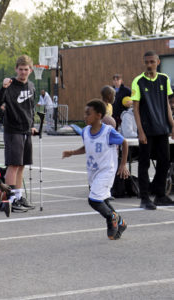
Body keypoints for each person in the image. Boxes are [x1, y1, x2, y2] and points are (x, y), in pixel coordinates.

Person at [62, 99, 129, 240]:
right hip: (93, 171)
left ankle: (112, 219)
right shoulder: (85, 131)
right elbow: (88, 147)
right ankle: (121, 223)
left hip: (107, 170)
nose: (85, 116)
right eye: (85, 113)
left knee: (94, 200)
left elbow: (124, 142)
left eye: (88, 114)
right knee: (103, 199)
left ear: (99, 115)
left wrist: (123, 164)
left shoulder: (108, 132)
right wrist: (72, 152)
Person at [0, 54, 37, 212]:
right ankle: (10, 199)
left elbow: (31, 108)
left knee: (22, 165)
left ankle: (18, 196)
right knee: (13, 165)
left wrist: (32, 125)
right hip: (13, 130)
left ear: (30, 70)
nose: (23, 72)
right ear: (16, 69)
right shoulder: (10, 84)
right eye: (21, 69)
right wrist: (3, 87)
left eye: (26, 69)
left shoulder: (31, 86)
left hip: (26, 130)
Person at [132, 51, 174, 209]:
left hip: (162, 128)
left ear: (157, 62)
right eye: (146, 62)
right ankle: (144, 198)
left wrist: (172, 125)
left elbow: (167, 105)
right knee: (144, 164)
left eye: (152, 62)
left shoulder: (164, 79)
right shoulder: (138, 81)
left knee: (164, 162)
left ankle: (160, 195)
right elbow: (135, 109)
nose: (149, 65)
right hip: (147, 129)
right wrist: (140, 131)